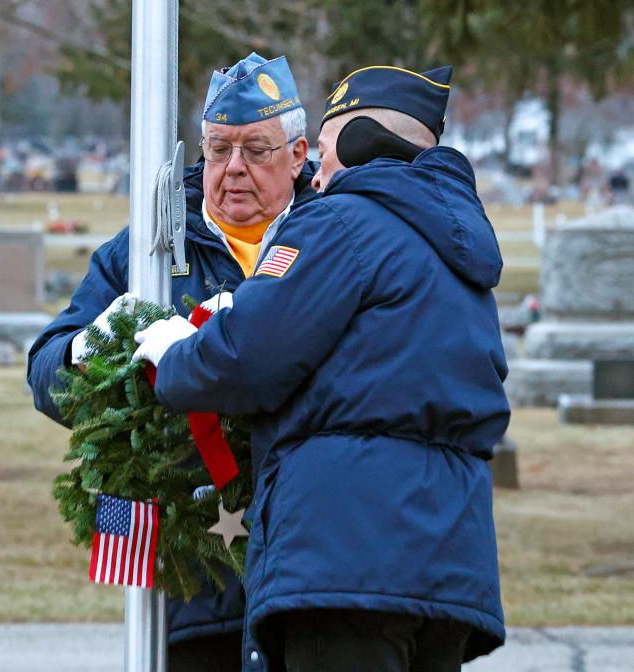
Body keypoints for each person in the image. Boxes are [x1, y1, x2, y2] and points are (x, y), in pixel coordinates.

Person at [133, 64, 509, 672]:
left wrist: (175, 354)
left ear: (361, 147)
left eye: (326, 152)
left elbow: (247, 356)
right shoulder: (456, 246)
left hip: (347, 555)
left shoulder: (341, 222)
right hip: (449, 561)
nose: (315, 173)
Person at [27, 52, 314, 671]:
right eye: (218, 149)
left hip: (308, 562)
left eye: (257, 149)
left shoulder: (331, 238)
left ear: (298, 155)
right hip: (189, 573)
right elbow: (43, 373)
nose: (233, 169)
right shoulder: (148, 248)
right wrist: (88, 352)